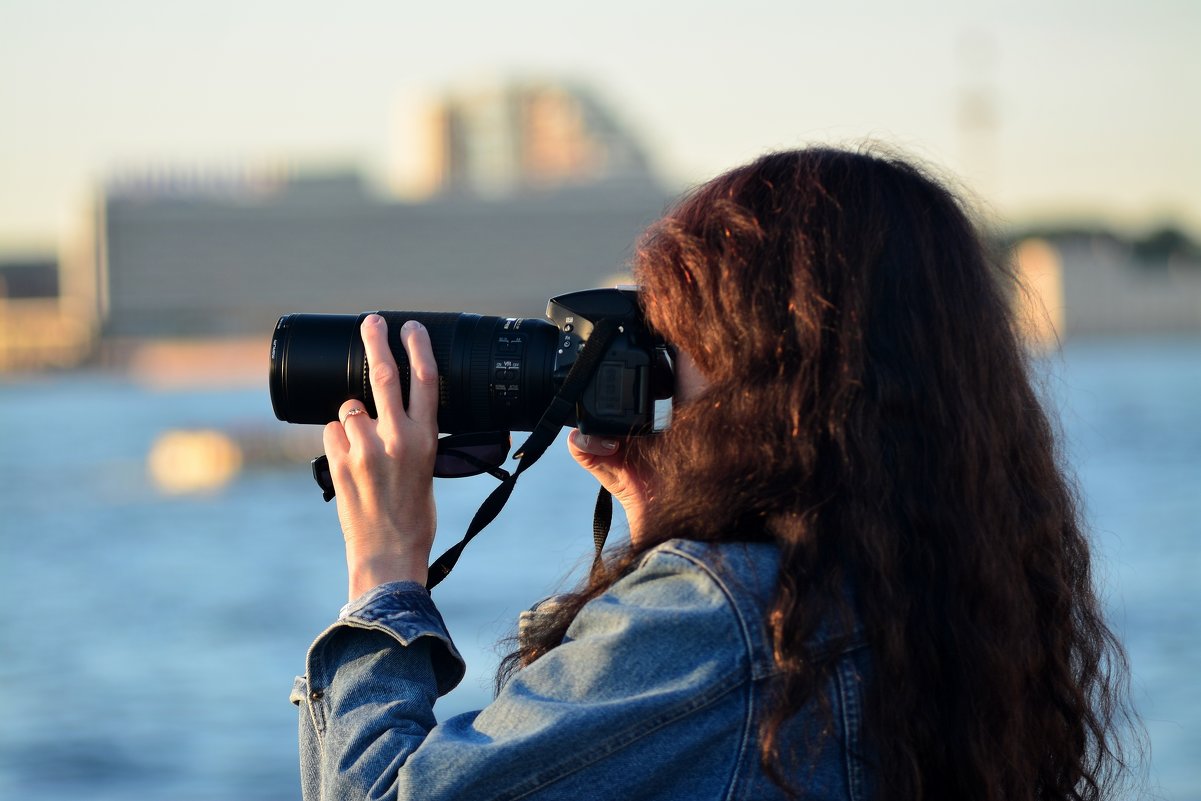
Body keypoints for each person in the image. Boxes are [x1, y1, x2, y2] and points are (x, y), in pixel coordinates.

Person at [293, 147, 1137, 800]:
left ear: (766, 364)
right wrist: (657, 513)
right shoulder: (941, 584)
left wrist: (385, 571)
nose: (648, 359)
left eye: (674, 328)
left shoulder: (723, 614)